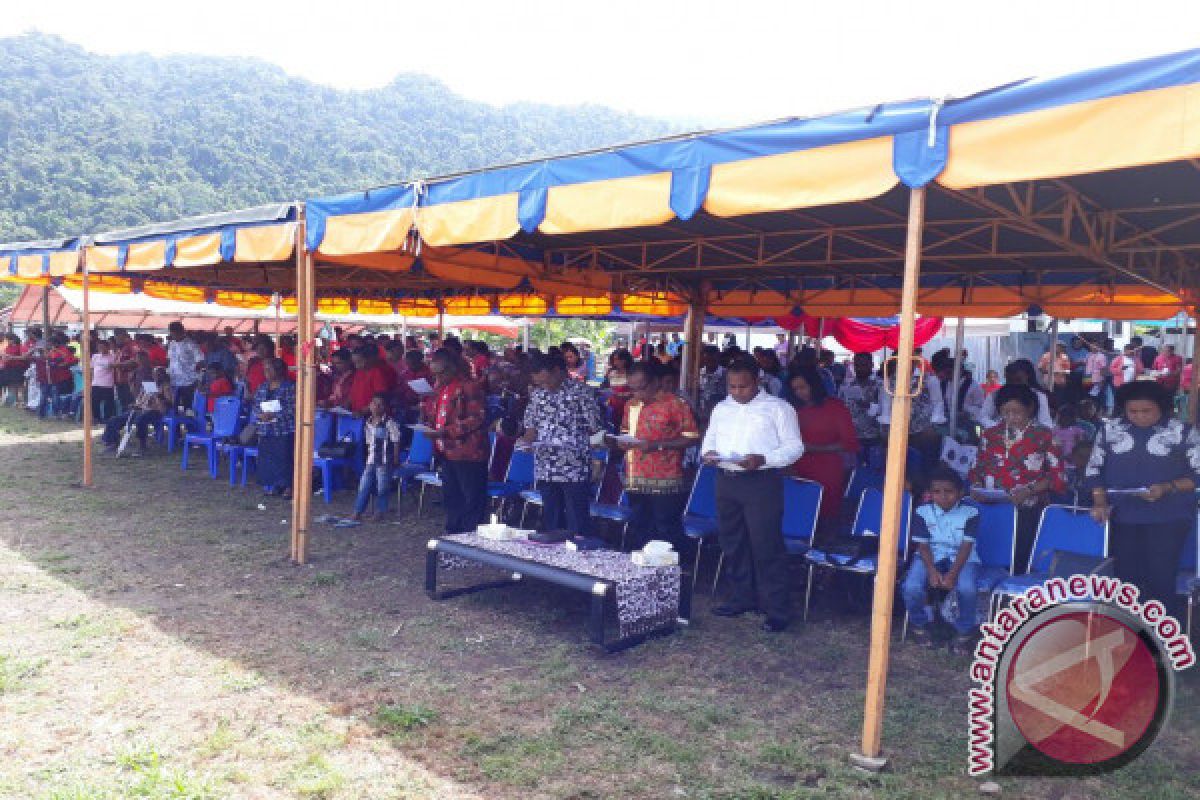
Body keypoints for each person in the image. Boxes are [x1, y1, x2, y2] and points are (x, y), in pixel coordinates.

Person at [701, 359, 805, 633]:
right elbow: (709, 440)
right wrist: (709, 454)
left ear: (757, 381)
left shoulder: (779, 409)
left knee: (766, 545)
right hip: (726, 480)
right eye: (732, 387)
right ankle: (741, 597)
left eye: (743, 386)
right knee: (732, 541)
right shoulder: (722, 408)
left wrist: (765, 459)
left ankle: (777, 609)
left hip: (761, 482)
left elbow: (795, 447)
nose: (737, 392)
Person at [1086, 381, 1200, 617]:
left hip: (1167, 518)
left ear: (1162, 407)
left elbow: (1196, 474)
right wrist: (1099, 502)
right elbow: (1094, 469)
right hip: (1122, 516)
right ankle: (1128, 635)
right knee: (1126, 580)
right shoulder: (1110, 430)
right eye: (1132, 411)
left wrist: (1167, 487)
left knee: (1160, 578)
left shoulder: (1183, 431)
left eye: (1146, 411)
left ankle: (1162, 638)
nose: (1139, 417)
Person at [969, 384, 1066, 571]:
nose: (1011, 417)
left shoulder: (1044, 435)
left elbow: (1056, 476)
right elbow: (977, 467)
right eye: (1005, 412)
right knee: (991, 554)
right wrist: (976, 486)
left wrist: (1029, 490)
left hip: (1027, 509)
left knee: (1020, 557)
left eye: (1017, 412)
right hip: (992, 507)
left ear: (1030, 408)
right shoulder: (990, 434)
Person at [608, 361, 699, 550]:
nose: (638, 394)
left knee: (666, 528)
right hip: (636, 476)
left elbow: (691, 438)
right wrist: (621, 441)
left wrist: (657, 445)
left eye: (641, 388)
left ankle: (670, 572)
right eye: (632, 389)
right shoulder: (631, 404)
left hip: (666, 477)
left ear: (655, 382)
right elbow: (625, 431)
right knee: (640, 527)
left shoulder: (676, 404)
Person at [520, 352, 604, 540]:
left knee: (577, 520)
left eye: (546, 381)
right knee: (552, 518)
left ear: (558, 371)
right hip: (545, 465)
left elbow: (595, 428)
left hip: (573, 466)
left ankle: (579, 560)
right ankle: (553, 562)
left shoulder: (581, 392)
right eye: (539, 383)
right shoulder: (538, 395)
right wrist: (526, 442)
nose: (544, 386)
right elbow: (531, 426)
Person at [902, 466, 981, 652]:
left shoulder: (971, 513)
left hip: (963, 557)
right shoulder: (923, 511)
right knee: (911, 587)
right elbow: (923, 545)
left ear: (960, 493)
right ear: (930, 493)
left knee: (967, 588)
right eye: (937, 492)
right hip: (929, 555)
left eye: (949, 492)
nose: (943, 496)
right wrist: (931, 570)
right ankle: (920, 624)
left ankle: (964, 630)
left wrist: (952, 574)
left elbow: (966, 546)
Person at [425, 349, 489, 534]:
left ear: (452, 368)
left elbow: (477, 418)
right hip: (446, 451)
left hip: (468, 452)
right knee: (451, 497)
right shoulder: (440, 388)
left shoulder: (470, 386)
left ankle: (470, 536)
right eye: (434, 373)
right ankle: (454, 533)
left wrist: (445, 432)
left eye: (440, 372)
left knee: (471, 498)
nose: (437, 377)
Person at [787, 366, 858, 527]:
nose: (799, 392)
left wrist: (813, 448)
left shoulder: (835, 407)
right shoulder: (793, 409)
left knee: (825, 516)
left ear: (814, 385)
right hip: (798, 469)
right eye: (795, 389)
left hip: (827, 470)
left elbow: (850, 442)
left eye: (802, 387)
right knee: (800, 515)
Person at [353, 394, 404, 521]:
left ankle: (380, 511)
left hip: (384, 460)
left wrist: (396, 458)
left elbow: (396, 440)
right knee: (364, 485)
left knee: (382, 487)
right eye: (374, 403)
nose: (376, 406)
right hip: (371, 459)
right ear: (370, 405)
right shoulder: (368, 422)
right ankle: (358, 511)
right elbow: (369, 442)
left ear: (385, 408)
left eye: (380, 404)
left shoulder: (389, 423)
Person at [100, 368, 171, 456]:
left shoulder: (165, 387)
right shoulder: (149, 386)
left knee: (141, 420)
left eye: (158, 374)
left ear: (163, 376)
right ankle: (112, 442)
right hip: (141, 409)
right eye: (155, 374)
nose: (156, 376)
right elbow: (139, 399)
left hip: (155, 411)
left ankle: (142, 445)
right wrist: (136, 403)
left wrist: (158, 396)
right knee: (114, 419)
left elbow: (169, 402)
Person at [252, 358, 296, 497]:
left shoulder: (289, 387)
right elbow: (256, 405)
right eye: (265, 370)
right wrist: (261, 415)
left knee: (284, 457)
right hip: (266, 428)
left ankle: (288, 486)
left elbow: (293, 408)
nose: (266, 373)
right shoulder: (263, 387)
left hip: (284, 428)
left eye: (269, 369)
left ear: (279, 371)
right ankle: (273, 485)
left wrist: (275, 415)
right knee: (268, 458)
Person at [978, 360, 1054, 429]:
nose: (1014, 383)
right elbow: (983, 417)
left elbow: (1046, 423)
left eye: (1018, 379)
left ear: (1027, 377)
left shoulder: (1039, 396)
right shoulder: (995, 395)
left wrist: (1030, 432)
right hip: (1000, 436)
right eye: (1010, 379)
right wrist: (998, 428)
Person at [841, 353, 883, 454]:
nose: (860, 368)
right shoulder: (847, 384)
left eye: (864, 365)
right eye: (857, 365)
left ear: (871, 365)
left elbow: (885, 410)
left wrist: (867, 405)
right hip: (851, 435)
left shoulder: (880, 385)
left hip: (872, 437)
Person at [166, 322, 203, 412]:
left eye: (176, 332)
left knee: (188, 407)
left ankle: (190, 425)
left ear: (182, 331)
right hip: (174, 380)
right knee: (173, 407)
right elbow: (170, 360)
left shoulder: (191, 344)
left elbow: (200, 360)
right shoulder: (171, 344)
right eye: (172, 332)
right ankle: (176, 426)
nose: (174, 335)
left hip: (189, 381)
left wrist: (197, 376)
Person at [89, 339, 118, 422]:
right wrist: (91, 381)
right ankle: (96, 418)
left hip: (108, 383)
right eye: (99, 347)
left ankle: (107, 418)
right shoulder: (95, 356)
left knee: (108, 402)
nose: (101, 348)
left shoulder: (113, 356)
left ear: (108, 347)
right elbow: (91, 369)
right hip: (96, 383)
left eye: (102, 347)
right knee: (94, 402)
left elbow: (115, 367)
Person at [697, 345, 727, 421]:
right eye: (707, 359)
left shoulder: (726, 374)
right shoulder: (698, 373)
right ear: (703, 359)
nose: (709, 362)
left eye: (712, 360)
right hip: (701, 413)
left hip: (721, 413)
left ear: (718, 358)